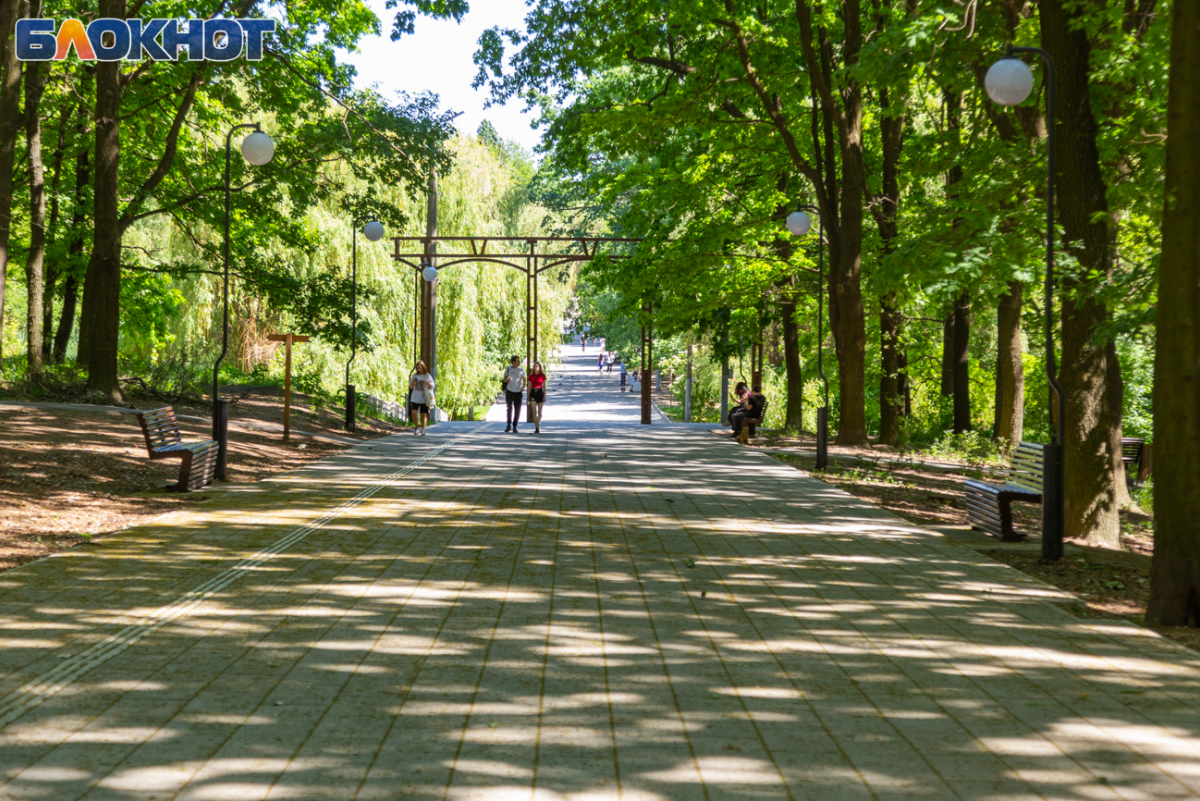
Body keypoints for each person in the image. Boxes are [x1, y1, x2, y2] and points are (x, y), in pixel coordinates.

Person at [408, 361, 435, 436]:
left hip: (424, 398)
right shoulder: (415, 375)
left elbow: (432, 386)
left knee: (423, 414)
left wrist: (426, 383)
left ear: (423, 367)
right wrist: (413, 381)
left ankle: (423, 429)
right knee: (414, 412)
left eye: (420, 367)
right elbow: (410, 386)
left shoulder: (427, 376)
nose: (418, 369)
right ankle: (416, 427)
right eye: (417, 368)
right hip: (415, 397)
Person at [502, 355, 526, 433]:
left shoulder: (521, 370)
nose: (519, 362)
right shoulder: (508, 369)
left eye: (519, 361)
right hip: (509, 391)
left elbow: (524, 379)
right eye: (517, 361)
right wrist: (507, 379)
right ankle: (508, 424)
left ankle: (515, 425)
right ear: (513, 362)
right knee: (509, 408)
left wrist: (523, 386)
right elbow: (504, 380)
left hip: (518, 392)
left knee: (517, 409)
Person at [528, 362, 547, 434]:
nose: (535, 367)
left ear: (539, 367)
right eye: (534, 366)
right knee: (534, 412)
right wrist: (528, 397)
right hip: (533, 392)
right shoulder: (531, 376)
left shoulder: (542, 376)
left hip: (539, 393)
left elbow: (544, 387)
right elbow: (529, 387)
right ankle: (537, 427)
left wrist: (544, 396)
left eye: (537, 366)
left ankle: (538, 422)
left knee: (540, 413)